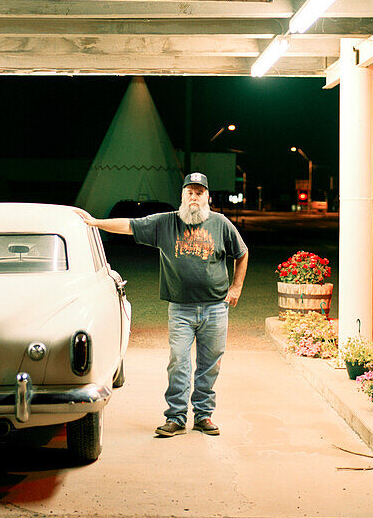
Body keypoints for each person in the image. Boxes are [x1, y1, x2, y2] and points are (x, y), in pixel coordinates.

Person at [77, 172, 248, 438]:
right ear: (182, 196)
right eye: (189, 192)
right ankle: (176, 418)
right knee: (178, 361)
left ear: (208, 197)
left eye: (199, 192)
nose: (194, 197)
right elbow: (129, 225)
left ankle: (203, 416)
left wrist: (236, 288)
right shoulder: (165, 224)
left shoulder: (221, 224)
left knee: (209, 364)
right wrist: (95, 222)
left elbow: (242, 252)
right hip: (181, 308)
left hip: (215, 308)